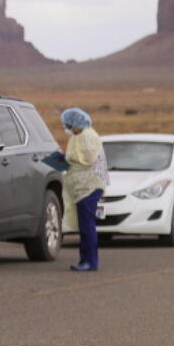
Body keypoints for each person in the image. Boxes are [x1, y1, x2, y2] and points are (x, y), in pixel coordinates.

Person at [61, 107, 109, 272]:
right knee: (84, 225)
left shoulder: (88, 136)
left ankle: (90, 261)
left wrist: (67, 159)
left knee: (87, 225)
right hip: (82, 187)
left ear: (77, 123)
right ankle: (85, 259)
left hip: (89, 186)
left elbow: (87, 159)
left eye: (69, 125)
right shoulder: (79, 136)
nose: (68, 129)